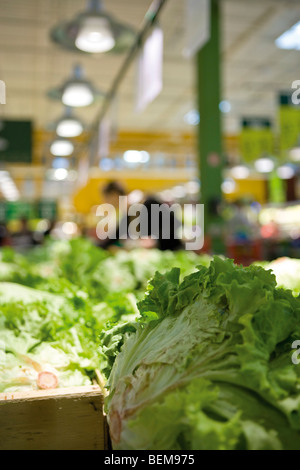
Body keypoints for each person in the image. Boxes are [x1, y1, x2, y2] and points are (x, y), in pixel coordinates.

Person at [98, 181, 129, 250]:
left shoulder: (127, 212)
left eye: (107, 197)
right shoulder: (114, 213)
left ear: (115, 195)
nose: (105, 201)